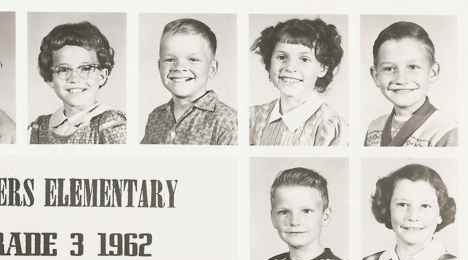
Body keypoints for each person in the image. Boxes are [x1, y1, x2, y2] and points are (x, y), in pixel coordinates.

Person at [249, 18, 347, 146]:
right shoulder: (252, 117)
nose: (290, 67)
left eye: (304, 59)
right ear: (269, 63)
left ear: (323, 68)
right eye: (282, 57)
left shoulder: (330, 128)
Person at [141, 18, 237, 145]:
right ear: (159, 67)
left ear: (212, 69)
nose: (179, 67)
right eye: (170, 60)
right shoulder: (155, 117)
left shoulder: (227, 121)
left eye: (192, 59)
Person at [360, 164, 458, 260]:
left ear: (440, 214)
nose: (412, 216)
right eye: (402, 204)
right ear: (387, 209)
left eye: (425, 206)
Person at [30, 22, 126, 144]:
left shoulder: (109, 124)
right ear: (50, 79)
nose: (74, 78)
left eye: (85, 68)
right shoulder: (41, 126)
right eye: (63, 69)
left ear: (101, 76)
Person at [365, 22, 457, 147]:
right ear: (376, 76)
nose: (401, 79)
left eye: (413, 67)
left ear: (433, 73)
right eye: (389, 68)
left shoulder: (445, 132)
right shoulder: (374, 127)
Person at [253, 168, 349, 260]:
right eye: (284, 212)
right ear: (273, 218)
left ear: (325, 217)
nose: (294, 221)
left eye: (306, 211)